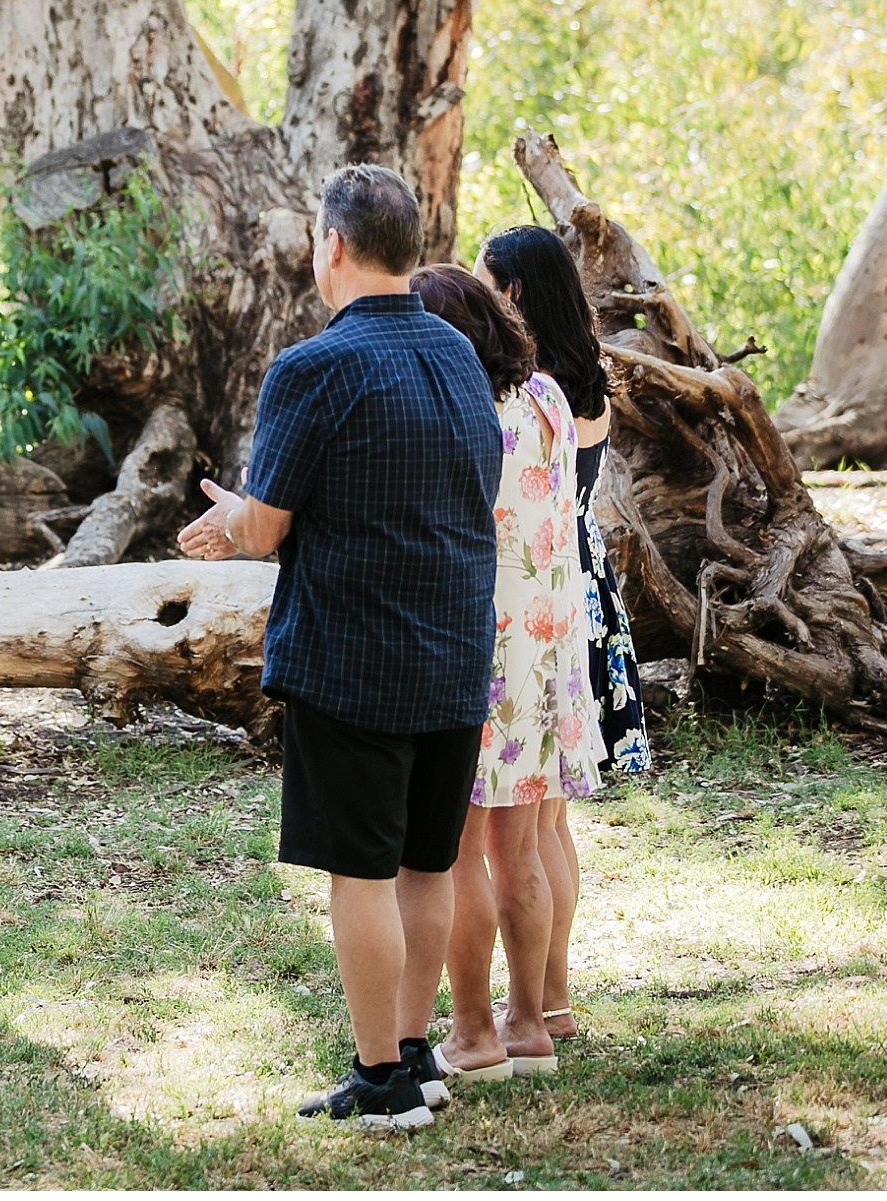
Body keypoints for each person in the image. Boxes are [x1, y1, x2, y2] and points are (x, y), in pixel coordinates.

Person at [178, 165, 501, 1133]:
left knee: (358, 871)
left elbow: (267, 527)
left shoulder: (312, 365)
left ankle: (380, 1079)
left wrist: (227, 515)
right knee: (425, 864)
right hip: (452, 646)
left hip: (352, 653)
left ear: (330, 246)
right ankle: (412, 1050)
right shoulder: (456, 351)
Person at [409, 264, 600, 1088]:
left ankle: (474, 1032)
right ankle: (533, 1021)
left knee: (455, 854)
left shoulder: (462, 411)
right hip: (550, 646)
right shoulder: (550, 399)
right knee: (520, 847)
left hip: (477, 648)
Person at [478, 224, 652, 1044]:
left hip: (531, 593)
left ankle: (533, 1007)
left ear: (513, 291)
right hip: (581, 589)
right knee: (551, 823)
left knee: (521, 829)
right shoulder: (585, 381)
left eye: (485, 283)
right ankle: (554, 997)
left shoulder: (524, 389)